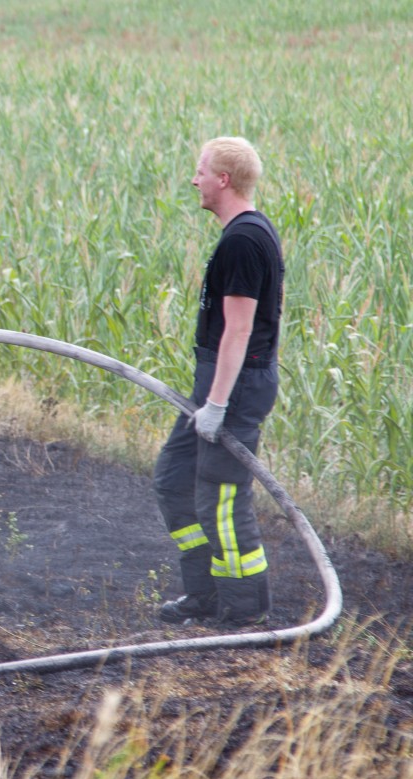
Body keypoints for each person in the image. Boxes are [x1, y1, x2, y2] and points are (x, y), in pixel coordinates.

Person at [154, 136, 284, 627]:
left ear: (223, 179)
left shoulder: (244, 240)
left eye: (201, 171)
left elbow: (241, 328)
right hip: (219, 380)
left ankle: (245, 610)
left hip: (234, 386)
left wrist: (217, 404)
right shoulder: (242, 234)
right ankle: (204, 593)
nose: (195, 180)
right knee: (173, 480)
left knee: (221, 497)